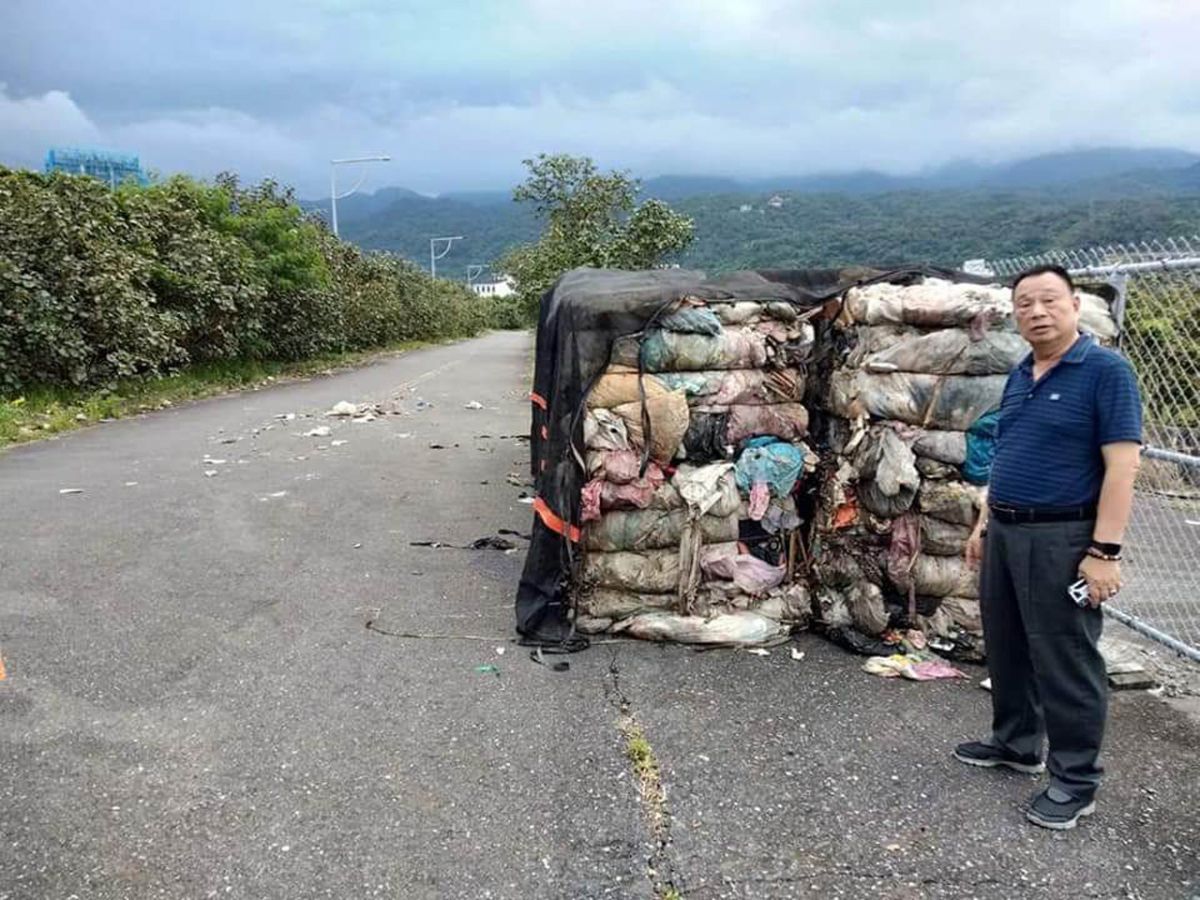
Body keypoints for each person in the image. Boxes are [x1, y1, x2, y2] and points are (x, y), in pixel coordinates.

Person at [954, 264, 1143, 830]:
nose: (1036, 311)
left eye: (1048, 300)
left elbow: (1123, 466)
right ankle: (1016, 743)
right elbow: (1007, 455)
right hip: (1008, 529)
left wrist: (1104, 552)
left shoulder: (1105, 371)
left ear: (1075, 303)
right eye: (1024, 304)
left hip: (1063, 536)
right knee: (1007, 644)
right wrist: (983, 524)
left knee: (1065, 657)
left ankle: (1076, 781)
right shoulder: (1020, 373)